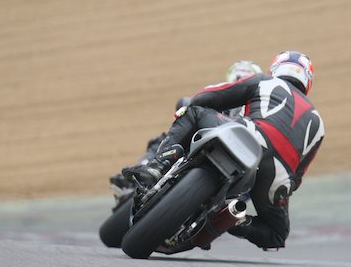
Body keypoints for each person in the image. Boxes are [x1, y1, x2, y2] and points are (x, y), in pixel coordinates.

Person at [122, 51, 325, 249]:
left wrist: (194, 103)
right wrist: (280, 189)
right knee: (276, 235)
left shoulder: (265, 81)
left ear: (276, 69)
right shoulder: (318, 123)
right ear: (308, 80)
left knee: (193, 112)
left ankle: (158, 165)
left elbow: (212, 96)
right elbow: (297, 177)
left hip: (249, 135)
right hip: (277, 175)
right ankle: (230, 219)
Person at [109, 60, 262, 191]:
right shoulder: (222, 92)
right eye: (238, 75)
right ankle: (148, 169)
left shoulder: (258, 106)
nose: (241, 78)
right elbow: (194, 103)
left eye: (245, 76)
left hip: (239, 163)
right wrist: (189, 106)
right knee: (164, 138)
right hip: (206, 143)